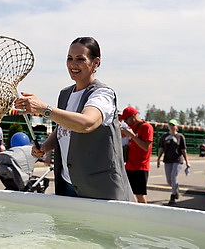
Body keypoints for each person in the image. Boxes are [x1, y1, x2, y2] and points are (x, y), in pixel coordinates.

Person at [15, 37, 134, 201]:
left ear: (96, 63)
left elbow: (86, 123)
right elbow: (63, 128)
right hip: (67, 184)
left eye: (80, 59)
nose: (73, 64)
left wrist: (44, 109)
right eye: (69, 58)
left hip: (100, 189)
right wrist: (45, 146)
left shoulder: (103, 94)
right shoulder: (65, 94)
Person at [120, 106, 154, 203]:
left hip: (140, 167)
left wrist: (132, 136)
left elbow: (145, 147)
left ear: (133, 116)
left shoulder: (146, 127)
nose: (125, 122)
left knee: (139, 195)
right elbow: (121, 136)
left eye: (126, 119)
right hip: (130, 165)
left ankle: (144, 214)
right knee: (128, 193)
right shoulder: (132, 128)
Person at [157, 119, 190, 205]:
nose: (171, 127)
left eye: (173, 125)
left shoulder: (180, 137)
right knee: (169, 180)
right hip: (167, 159)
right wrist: (158, 159)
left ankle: (172, 197)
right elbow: (161, 148)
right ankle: (176, 189)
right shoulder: (164, 137)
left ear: (176, 127)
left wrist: (187, 161)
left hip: (177, 159)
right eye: (170, 125)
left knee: (173, 176)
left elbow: (183, 150)